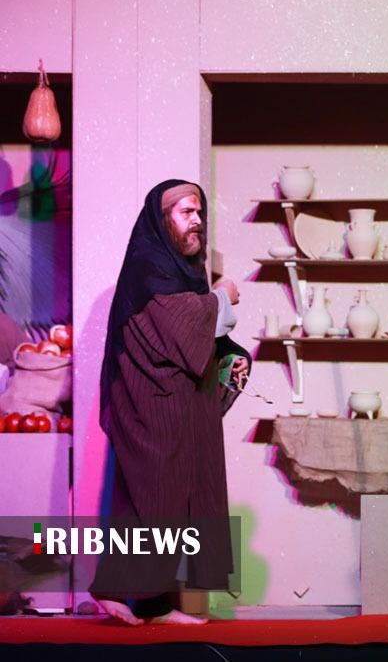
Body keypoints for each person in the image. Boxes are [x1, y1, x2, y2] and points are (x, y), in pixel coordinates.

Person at [90, 180, 250, 625]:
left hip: (176, 406)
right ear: (162, 222)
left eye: (199, 212)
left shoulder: (181, 269)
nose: (197, 220)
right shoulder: (149, 266)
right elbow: (183, 325)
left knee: (173, 500)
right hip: (150, 408)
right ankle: (112, 591)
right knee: (153, 501)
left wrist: (229, 355)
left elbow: (194, 335)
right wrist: (222, 296)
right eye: (185, 213)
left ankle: (155, 604)